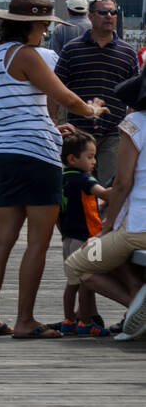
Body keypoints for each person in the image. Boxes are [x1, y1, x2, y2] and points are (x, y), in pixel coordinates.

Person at [0, 0, 108, 338]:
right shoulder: (27, 55)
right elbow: (65, 97)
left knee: (2, 239)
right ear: (31, 24)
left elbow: (16, 104)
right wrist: (92, 110)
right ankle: (25, 320)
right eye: (44, 25)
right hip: (37, 154)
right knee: (38, 241)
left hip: (5, 151)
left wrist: (50, 126)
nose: (46, 31)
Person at [63, 69, 146, 341]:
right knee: (118, 258)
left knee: (78, 265)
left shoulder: (135, 123)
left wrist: (106, 228)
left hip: (138, 229)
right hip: (135, 233)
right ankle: (137, 299)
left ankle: (136, 304)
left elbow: (122, 182)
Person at [53, 0, 140, 183]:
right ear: (91, 16)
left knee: (112, 186)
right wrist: (52, 124)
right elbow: (55, 89)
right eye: (103, 12)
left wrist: (128, 127)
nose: (109, 16)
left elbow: (136, 94)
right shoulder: (72, 49)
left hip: (114, 134)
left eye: (113, 12)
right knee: (79, 187)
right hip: (78, 133)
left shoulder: (128, 52)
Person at [49, 131, 112, 336]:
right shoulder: (85, 178)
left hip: (68, 239)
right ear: (72, 159)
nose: (94, 161)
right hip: (87, 239)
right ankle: (86, 322)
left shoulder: (61, 179)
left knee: (72, 282)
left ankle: (69, 320)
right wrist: (122, 188)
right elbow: (104, 194)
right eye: (90, 156)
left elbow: (78, 206)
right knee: (88, 282)